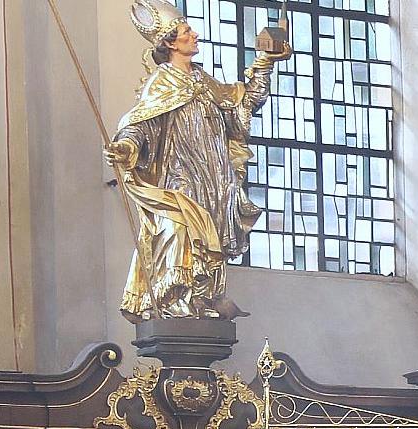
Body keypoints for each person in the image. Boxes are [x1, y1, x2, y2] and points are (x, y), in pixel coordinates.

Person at [105, 0, 288, 320]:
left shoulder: (205, 82)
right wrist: (126, 148)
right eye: (187, 31)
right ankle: (175, 300)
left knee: (207, 242)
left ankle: (201, 301)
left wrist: (265, 62)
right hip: (178, 174)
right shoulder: (160, 85)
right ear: (170, 42)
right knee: (177, 225)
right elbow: (140, 126)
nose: (195, 35)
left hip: (214, 178)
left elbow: (243, 105)